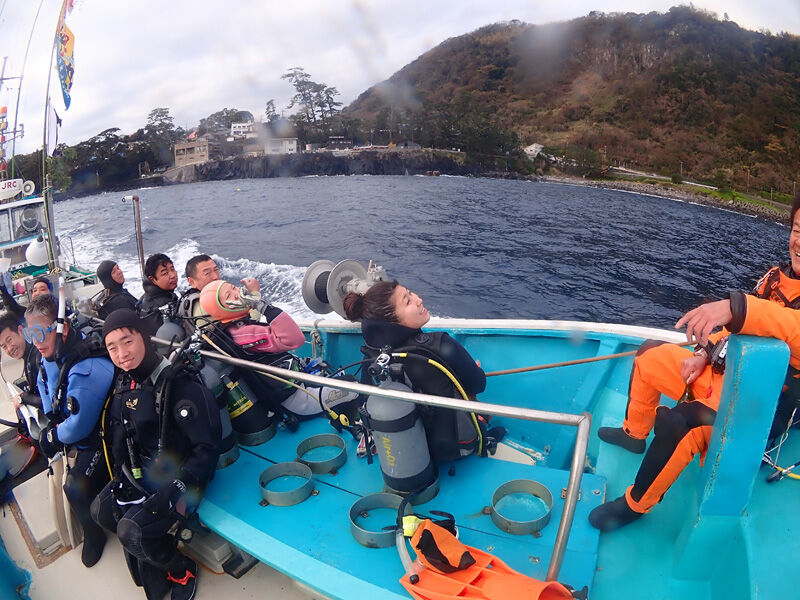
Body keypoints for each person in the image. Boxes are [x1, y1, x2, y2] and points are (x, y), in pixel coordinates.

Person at [589, 196, 800, 531]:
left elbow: (788, 325)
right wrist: (703, 354)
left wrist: (735, 307)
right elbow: (736, 331)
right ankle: (634, 432)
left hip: (753, 411)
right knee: (649, 354)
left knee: (681, 422)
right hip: (722, 376)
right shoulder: (775, 278)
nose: (799, 241)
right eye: (797, 229)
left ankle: (635, 504)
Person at [91, 309, 220, 600]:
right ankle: (157, 550)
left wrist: (175, 489)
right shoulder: (127, 380)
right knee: (101, 510)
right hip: (146, 470)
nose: (122, 354)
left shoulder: (180, 386)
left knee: (131, 531)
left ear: (144, 337)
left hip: (186, 479)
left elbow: (206, 451)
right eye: (113, 347)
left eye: (128, 341)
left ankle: (182, 568)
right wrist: (123, 475)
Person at [343, 280, 503, 462]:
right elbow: (479, 385)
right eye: (407, 301)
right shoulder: (441, 345)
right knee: (486, 412)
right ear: (390, 319)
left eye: (411, 293)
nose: (418, 299)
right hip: (452, 449)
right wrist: (474, 372)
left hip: (400, 449)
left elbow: (365, 398)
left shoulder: (373, 355)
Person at [27, 294, 114, 567]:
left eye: (41, 332)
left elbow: (78, 426)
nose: (36, 342)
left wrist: (53, 435)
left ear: (62, 328)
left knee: (74, 487)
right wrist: (51, 423)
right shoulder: (51, 354)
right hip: (73, 427)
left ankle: (94, 534)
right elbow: (45, 385)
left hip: (102, 439)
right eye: (30, 334)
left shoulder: (86, 369)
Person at [176, 254, 260, 333]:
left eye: (216, 270)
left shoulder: (198, 298)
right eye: (207, 273)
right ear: (192, 282)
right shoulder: (203, 308)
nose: (215, 277)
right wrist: (255, 293)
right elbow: (250, 327)